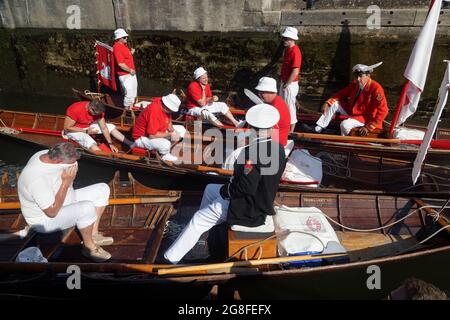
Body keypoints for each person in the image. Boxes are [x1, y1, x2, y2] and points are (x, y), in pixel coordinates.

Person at [164, 104, 286, 264]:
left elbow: (245, 188)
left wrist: (226, 192)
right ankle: (202, 237)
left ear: (252, 128)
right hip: (260, 200)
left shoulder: (250, 152)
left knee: (198, 219)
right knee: (210, 189)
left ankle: (169, 259)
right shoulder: (279, 148)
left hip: (248, 209)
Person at [17, 143, 112, 262]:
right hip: (44, 219)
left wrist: (68, 178)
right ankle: (89, 248)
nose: (74, 165)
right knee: (87, 208)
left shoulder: (44, 154)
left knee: (102, 189)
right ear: (58, 161)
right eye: (71, 163)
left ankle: (93, 234)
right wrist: (66, 183)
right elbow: (51, 212)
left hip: (64, 199)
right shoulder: (36, 178)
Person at [302, 62, 389, 136]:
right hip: (353, 111)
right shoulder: (355, 84)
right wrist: (327, 103)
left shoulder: (376, 88)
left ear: (368, 75)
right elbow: (340, 94)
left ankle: (345, 140)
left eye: (360, 76)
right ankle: (318, 128)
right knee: (334, 103)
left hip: (366, 117)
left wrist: (369, 127)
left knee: (345, 125)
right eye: (356, 76)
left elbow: (384, 110)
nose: (358, 79)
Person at [132, 93, 185, 162]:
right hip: (141, 138)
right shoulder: (154, 111)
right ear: (167, 107)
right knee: (166, 144)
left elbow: (168, 120)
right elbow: (152, 135)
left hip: (156, 131)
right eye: (171, 110)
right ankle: (164, 155)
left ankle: (164, 150)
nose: (171, 111)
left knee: (182, 130)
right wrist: (170, 134)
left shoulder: (163, 106)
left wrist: (172, 130)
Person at [64, 100, 134, 152]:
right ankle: (102, 155)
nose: (96, 115)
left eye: (98, 114)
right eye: (95, 113)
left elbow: (104, 128)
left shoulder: (99, 112)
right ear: (90, 107)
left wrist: (110, 144)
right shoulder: (76, 109)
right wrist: (85, 131)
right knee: (88, 140)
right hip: (73, 130)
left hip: (87, 126)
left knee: (111, 127)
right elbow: (67, 127)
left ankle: (130, 143)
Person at [255, 77, 291, 146]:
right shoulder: (275, 101)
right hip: (272, 141)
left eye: (262, 92)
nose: (259, 94)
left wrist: (249, 133)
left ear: (271, 91)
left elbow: (271, 132)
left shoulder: (276, 108)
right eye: (259, 92)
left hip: (276, 145)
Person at [279, 26, 302, 132]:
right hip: (285, 82)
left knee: (290, 108)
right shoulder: (288, 50)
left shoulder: (295, 51)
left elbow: (295, 71)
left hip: (289, 84)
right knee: (283, 106)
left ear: (292, 39)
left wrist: (286, 84)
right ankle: (284, 126)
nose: (284, 40)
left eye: (286, 38)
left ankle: (291, 131)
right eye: (284, 38)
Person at [113, 28, 137, 109]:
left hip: (131, 73)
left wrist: (131, 53)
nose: (126, 38)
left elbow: (125, 57)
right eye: (124, 37)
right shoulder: (117, 47)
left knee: (133, 93)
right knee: (129, 93)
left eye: (126, 37)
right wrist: (130, 70)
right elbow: (120, 64)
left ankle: (131, 108)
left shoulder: (124, 45)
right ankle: (126, 111)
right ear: (119, 38)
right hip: (125, 75)